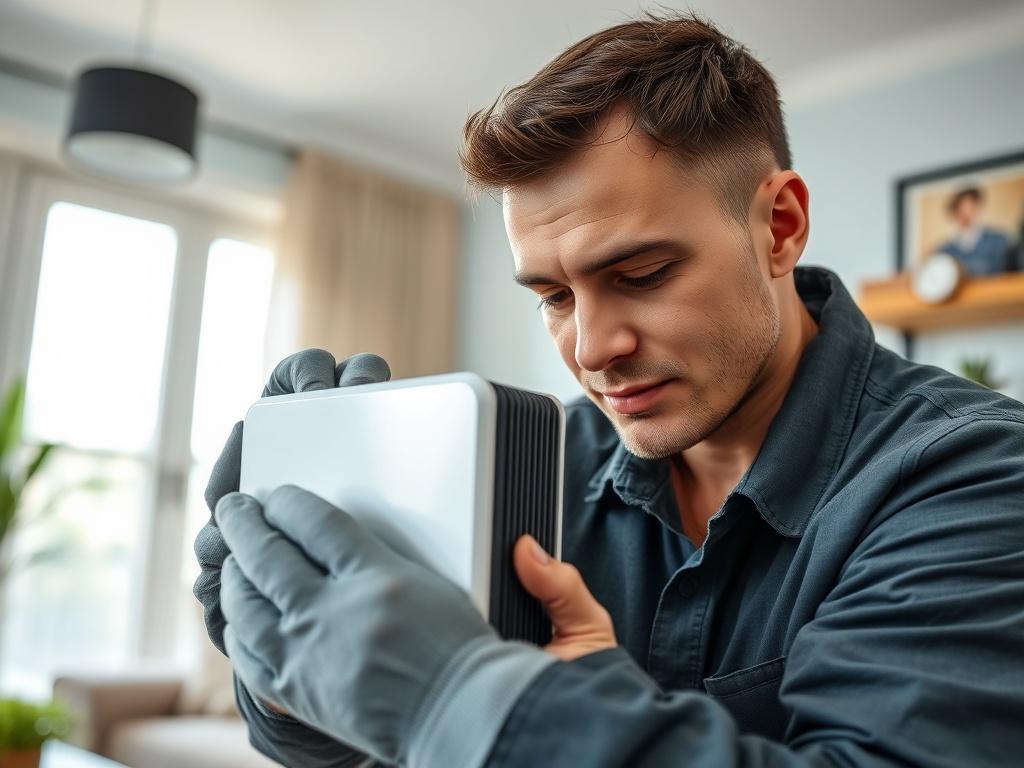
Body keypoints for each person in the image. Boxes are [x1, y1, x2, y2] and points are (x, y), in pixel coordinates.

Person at [194, 12, 1024, 768]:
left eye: (641, 273)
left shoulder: (975, 477)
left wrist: (465, 697)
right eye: (553, 297)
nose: (592, 349)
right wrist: (288, 661)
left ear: (779, 227)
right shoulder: (537, 463)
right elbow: (364, 746)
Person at [934, 186, 1014, 275]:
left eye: (970, 206)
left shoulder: (999, 242)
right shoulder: (944, 252)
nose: (966, 212)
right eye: (960, 208)